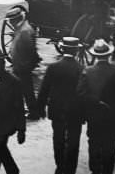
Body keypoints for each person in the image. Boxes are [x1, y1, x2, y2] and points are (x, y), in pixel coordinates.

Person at [77, 38, 115, 174]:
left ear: (94, 55)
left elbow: (80, 94)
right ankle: (107, 170)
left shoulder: (87, 72)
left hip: (94, 116)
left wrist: (95, 102)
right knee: (110, 145)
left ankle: (95, 169)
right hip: (112, 117)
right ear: (108, 55)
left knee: (93, 143)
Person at [37, 36, 85, 174]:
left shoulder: (53, 67)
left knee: (58, 138)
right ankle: (70, 169)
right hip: (75, 111)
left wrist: (40, 108)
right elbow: (84, 93)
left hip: (57, 109)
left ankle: (60, 166)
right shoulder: (81, 69)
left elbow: (44, 89)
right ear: (76, 50)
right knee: (73, 140)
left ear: (62, 48)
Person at [6, 5, 41, 119]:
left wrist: (24, 65)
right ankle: (29, 110)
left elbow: (29, 49)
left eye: (11, 21)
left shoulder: (24, 31)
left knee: (26, 90)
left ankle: (32, 112)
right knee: (25, 89)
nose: (10, 23)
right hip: (21, 65)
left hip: (22, 65)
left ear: (15, 20)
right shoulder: (21, 28)